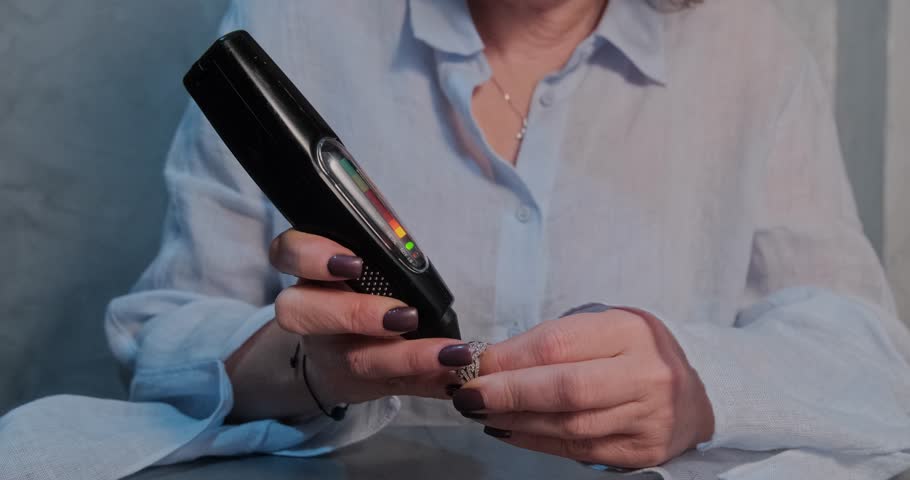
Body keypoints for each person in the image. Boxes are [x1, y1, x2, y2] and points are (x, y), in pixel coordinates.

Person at [83, 0, 910, 478]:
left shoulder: (753, 55)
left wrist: (701, 386)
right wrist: (303, 366)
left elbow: (867, 359)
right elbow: (161, 341)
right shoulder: (298, 24)